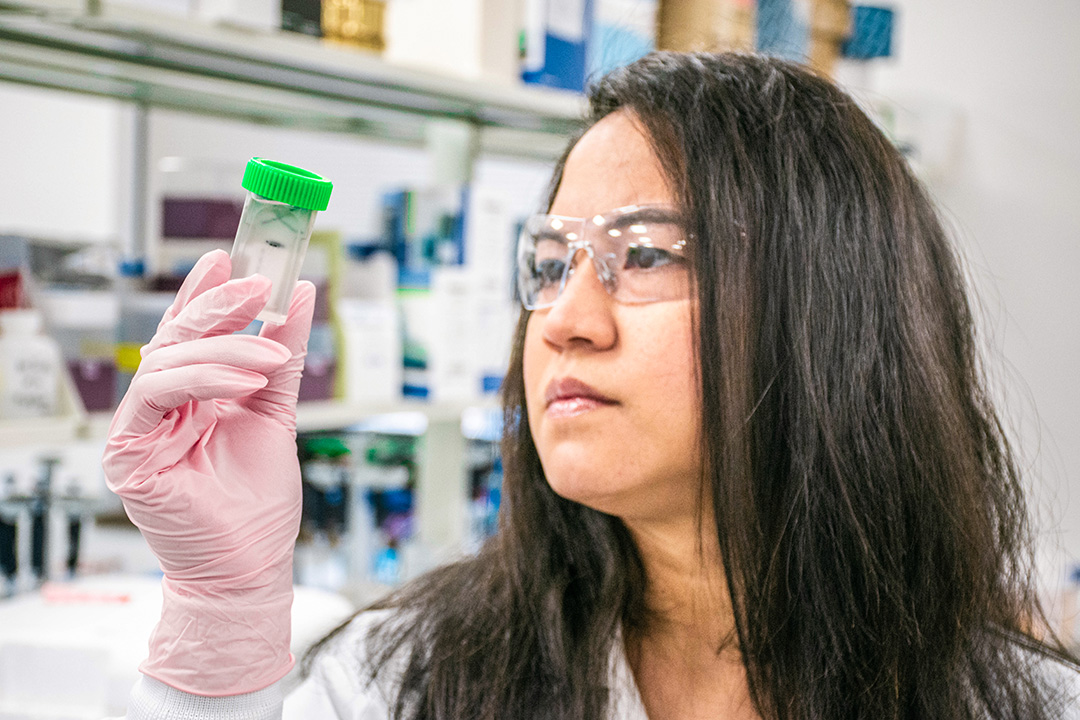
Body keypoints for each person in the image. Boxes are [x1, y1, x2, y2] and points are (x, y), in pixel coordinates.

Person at [104, 52, 1080, 720]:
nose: (565, 319)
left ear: (833, 304)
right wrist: (221, 612)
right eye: (551, 261)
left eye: (645, 254)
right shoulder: (411, 682)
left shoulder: (1029, 706)